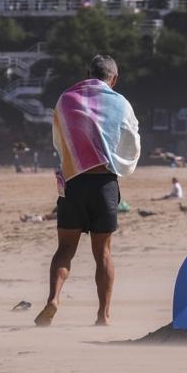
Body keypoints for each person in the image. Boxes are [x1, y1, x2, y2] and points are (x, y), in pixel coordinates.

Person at [37, 54, 140, 327]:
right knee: (103, 253)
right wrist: (118, 162)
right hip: (104, 183)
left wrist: (73, 161)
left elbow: (59, 139)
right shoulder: (120, 103)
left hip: (73, 182)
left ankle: (54, 299)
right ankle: (103, 315)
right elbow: (130, 138)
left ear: (87, 73)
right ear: (114, 78)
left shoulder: (66, 99)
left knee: (65, 249)